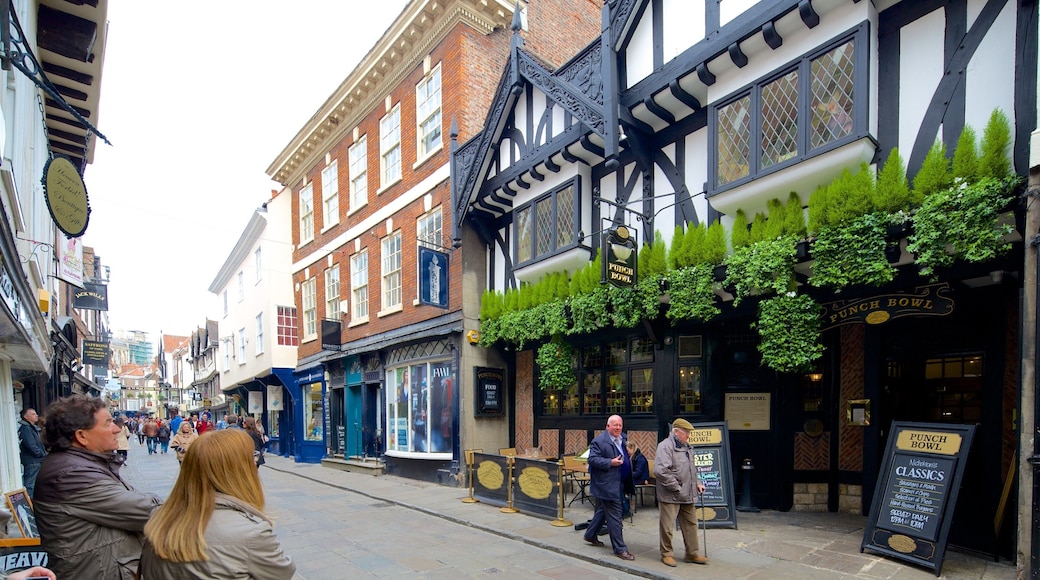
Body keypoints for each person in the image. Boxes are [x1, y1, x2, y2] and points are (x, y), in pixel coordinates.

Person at [33, 394, 163, 579]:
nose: (116, 429)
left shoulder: (81, 464)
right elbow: (147, 512)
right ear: (82, 436)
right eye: (108, 423)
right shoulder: (71, 474)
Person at [140, 429, 296, 579]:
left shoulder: (159, 521)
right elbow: (282, 573)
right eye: (252, 457)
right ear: (237, 471)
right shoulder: (252, 533)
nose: (255, 464)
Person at [655, 418, 708, 566]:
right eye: (686, 433)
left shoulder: (687, 447)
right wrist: (677, 488)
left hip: (687, 493)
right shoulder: (665, 446)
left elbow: (691, 469)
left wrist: (697, 483)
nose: (688, 436)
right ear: (676, 432)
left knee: (691, 524)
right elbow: (661, 471)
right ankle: (666, 554)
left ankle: (692, 553)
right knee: (667, 526)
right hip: (671, 494)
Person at [582, 414, 634, 561]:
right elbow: (592, 459)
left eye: (620, 425)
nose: (618, 428)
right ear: (608, 426)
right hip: (607, 485)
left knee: (604, 511)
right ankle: (620, 549)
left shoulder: (622, 439)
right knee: (615, 516)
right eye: (615, 425)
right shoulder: (599, 441)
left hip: (620, 482)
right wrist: (610, 462)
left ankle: (590, 534)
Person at [17, 408, 46, 497]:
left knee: (36, 483)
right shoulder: (26, 428)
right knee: (30, 484)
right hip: (32, 461)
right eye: (33, 414)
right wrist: (41, 454)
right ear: (26, 417)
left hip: (35, 460)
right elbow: (31, 445)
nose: (36, 415)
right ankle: (30, 502)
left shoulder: (31, 428)